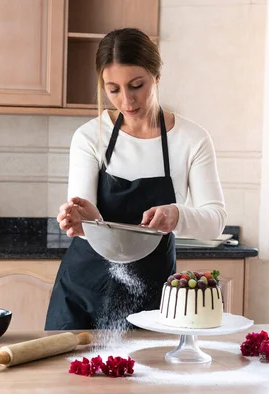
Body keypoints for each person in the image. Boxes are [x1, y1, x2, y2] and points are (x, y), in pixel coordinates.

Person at [44, 28, 226, 330]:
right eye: (113, 89)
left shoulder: (192, 139)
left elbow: (215, 220)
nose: (126, 100)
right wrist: (85, 221)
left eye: (136, 85)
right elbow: (85, 216)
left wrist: (177, 215)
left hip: (151, 296)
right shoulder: (90, 137)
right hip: (82, 293)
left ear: (157, 75)